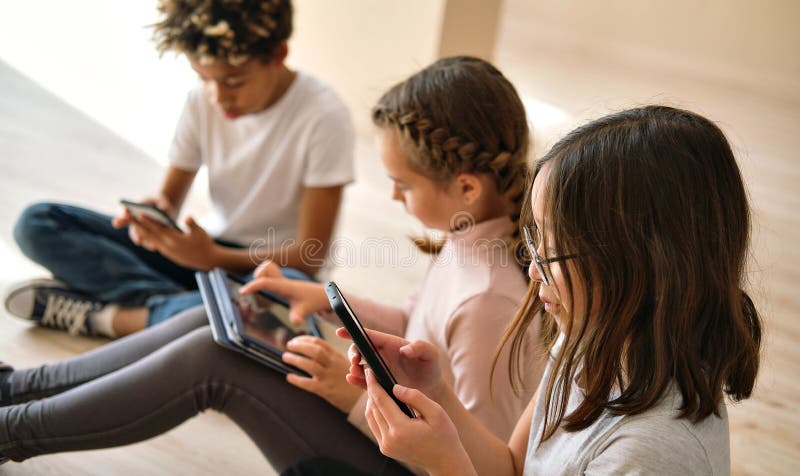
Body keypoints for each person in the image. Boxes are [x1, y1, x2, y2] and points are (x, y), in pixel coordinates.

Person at [0, 56, 543, 475]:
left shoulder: (488, 299)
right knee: (228, 315)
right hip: (384, 431)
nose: (396, 198)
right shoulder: (471, 240)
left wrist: (346, 394)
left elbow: (467, 460)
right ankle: (18, 389)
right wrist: (328, 303)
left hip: (396, 463)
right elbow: (416, 323)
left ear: (466, 186)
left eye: (403, 185)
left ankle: (12, 431)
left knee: (219, 358)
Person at [345, 105, 763, 475]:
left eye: (555, 249)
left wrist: (444, 463)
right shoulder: (586, 336)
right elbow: (511, 467)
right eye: (535, 238)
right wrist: (434, 392)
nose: (532, 269)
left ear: (637, 263)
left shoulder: (651, 454)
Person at [3, 0, 354, 339]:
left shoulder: (323, 116)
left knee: (289, 299)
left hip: (273, 269)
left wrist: (213, 258)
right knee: (37, 223)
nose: (218, 97)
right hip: (204, 253)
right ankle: (184, 313)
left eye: (233, 81)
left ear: (278, 54)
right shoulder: (200, 101)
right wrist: (156, 217)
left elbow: (310, 255)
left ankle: (128, 318)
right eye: (203, 78)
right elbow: (169, 197)